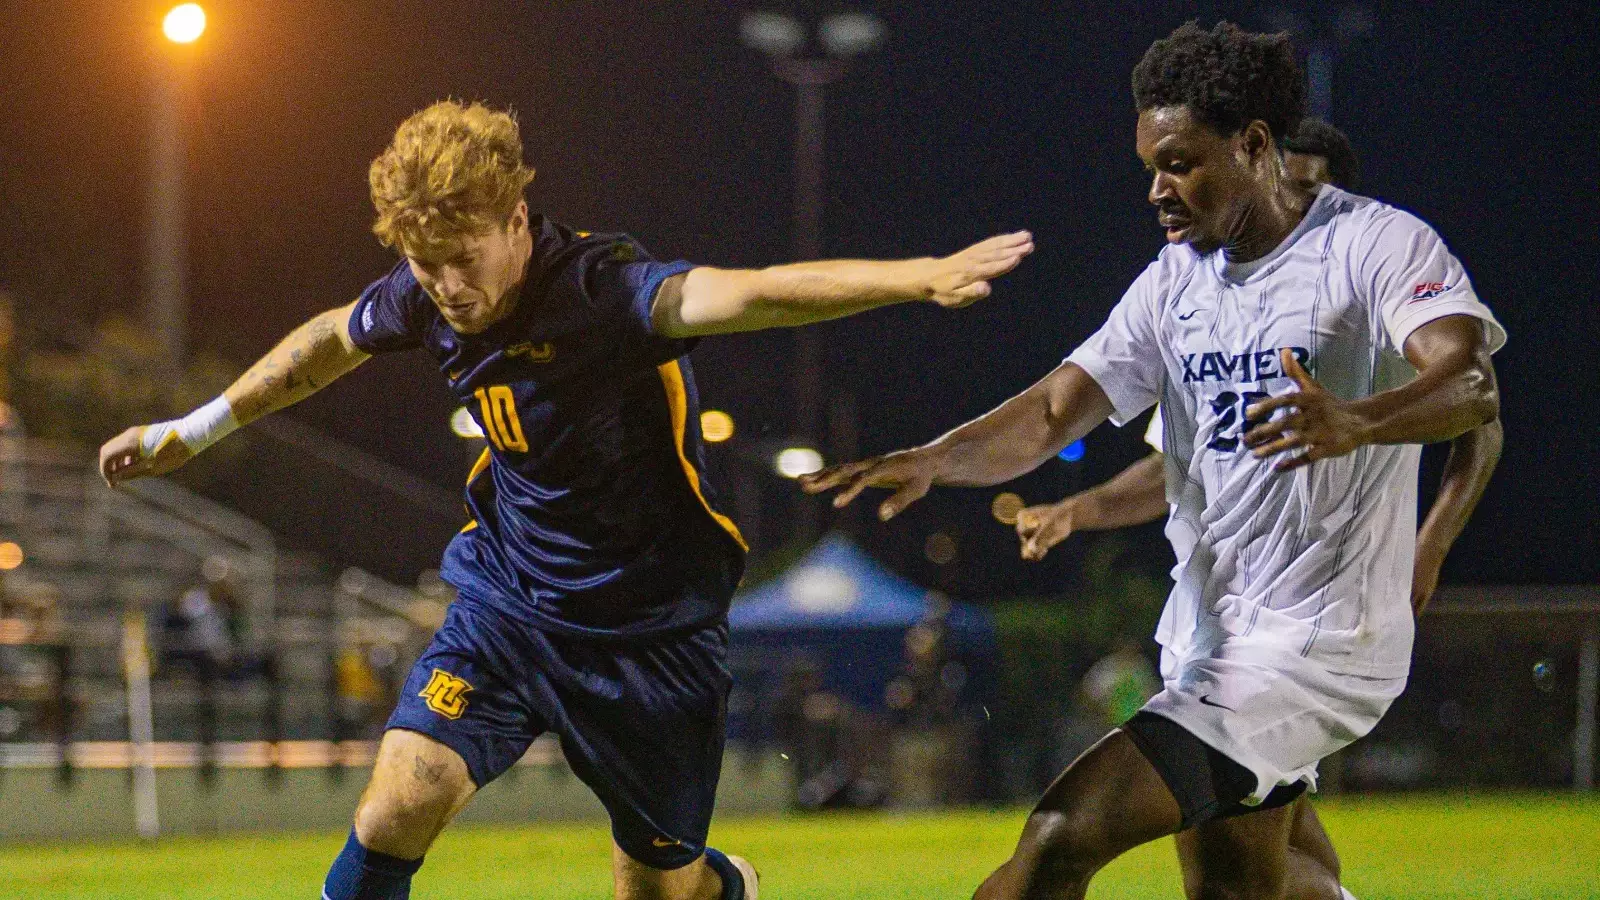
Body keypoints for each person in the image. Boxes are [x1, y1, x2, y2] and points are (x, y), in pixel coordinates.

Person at [98, 100, 1033, 900]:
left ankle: (724, 885)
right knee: (394, 807)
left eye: (463, 259)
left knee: (662, 887)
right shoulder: (429, 289)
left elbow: (751, 296)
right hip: (508, 606)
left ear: (516, 217)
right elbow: (328, 341)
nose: (448, 291)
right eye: (427, 271)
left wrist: (915, 278)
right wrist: (195, 428)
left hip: (648, 630)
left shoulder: (601, 288)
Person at [803, 21, 1503, 900]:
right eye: (1149, 169)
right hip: (1210, 640)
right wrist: (939, 458)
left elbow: (1470, 386)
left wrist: (1359, 421)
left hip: (1318, 644)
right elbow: (1059, 406)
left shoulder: (1375, 245)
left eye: (1179, 163)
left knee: (1059, 837)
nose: (1158, 191)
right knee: (1244, 891)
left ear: (1254, 146)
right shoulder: (1178, 279)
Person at [1021, 118, 1501, 617]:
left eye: (1307, 187)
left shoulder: (1370, 289)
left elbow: (1480, 423)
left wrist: (1431, 547)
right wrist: (1076, 512)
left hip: (1345, 602)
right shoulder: (1223, 312)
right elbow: (1173, 466)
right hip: (1232, 610)